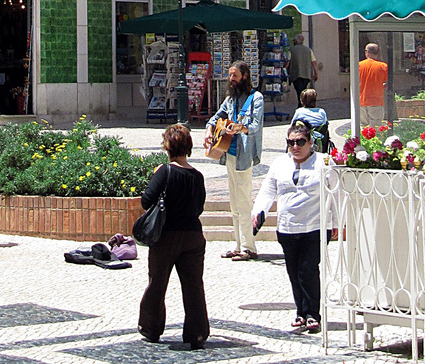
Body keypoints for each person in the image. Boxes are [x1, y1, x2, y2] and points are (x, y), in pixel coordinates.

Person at [137, 124, 209, 349]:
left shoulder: (165, 172)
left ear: (168, 147)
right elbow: (199, 207)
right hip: (193, 236)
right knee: (194, 285)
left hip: (166, 236)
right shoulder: (197, 176)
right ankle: (197, 332)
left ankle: (151, 327)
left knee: (157, 283)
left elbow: (146, 201)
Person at [252, 122, 323, 334]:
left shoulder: (322, 163)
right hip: (287, 228)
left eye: (300, 142)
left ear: (310, 143)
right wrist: (258, 212)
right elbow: (267, 190)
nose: (295, 146)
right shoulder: (280, 163)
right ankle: (300, 312)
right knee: (293, 271)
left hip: (314, 226)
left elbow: (333, 193)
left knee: (308, 270)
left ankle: (313, 314)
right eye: (291, 142)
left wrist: (335, 222)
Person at [204, 60, 264, 261]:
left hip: (244, 155)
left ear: (245, 76)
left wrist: (240, 128)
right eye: (230, 75)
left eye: (234, 75)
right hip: (228, 152)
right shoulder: (230, 100)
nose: (231, 79)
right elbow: (216, 117)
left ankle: (249, 246)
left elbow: (255, 125)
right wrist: (209, 129)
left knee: (244, 200)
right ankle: (237, 244)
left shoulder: (256, 98)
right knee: (234, 202)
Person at [359, 43, 387, 126]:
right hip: (376, 102)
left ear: (367, 52)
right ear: (378, 53)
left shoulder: (359, 65)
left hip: (361, 101)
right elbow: (388, 85)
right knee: (375, 129)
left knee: (363, 127)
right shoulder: (383, 66)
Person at [288, 35, 318, 106]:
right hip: (306, 75)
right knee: (303, 90)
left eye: (294, 41)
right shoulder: (308, 50)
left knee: (299, 92)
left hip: (296, 75)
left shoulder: (291, 50)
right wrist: (316, 73)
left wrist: (284, 70)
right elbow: (314, 62)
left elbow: (288, 62)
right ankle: (303, 105)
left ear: (296, 41)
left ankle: (301, 106)